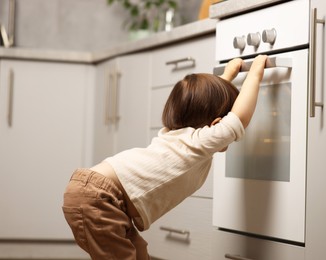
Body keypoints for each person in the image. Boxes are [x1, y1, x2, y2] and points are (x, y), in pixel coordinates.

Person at [62, 55, 268, 260]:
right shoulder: (198, 143)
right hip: (99, 198)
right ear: (215, 125)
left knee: (139, 253)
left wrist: (229, 75)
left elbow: (207, 99)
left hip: (102, 196)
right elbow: (239, 117)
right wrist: (256, 71)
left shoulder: (179, 136)